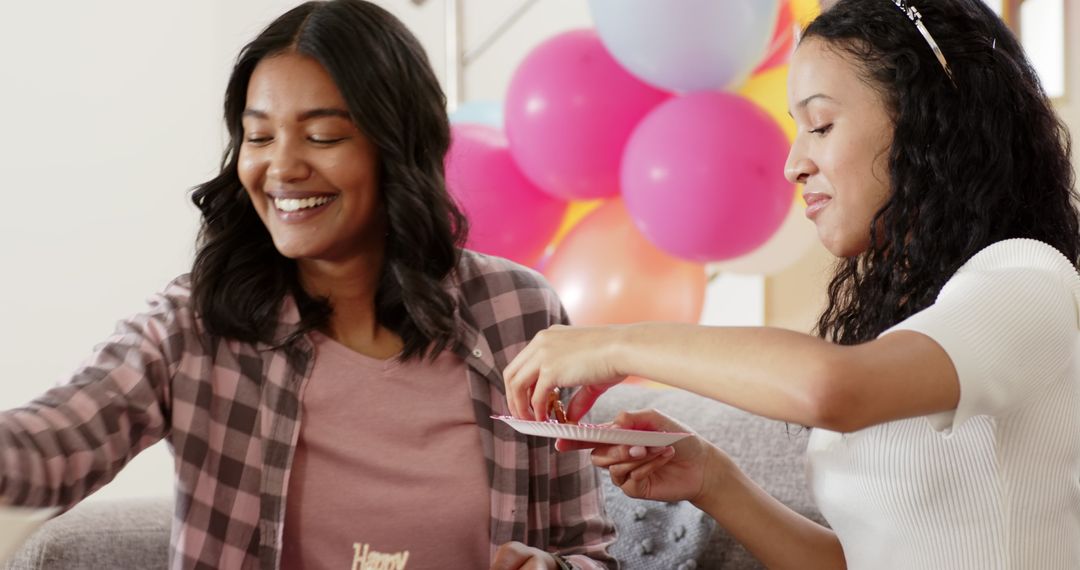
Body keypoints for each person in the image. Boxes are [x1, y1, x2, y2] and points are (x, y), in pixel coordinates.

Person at [0, 2, 617, 569]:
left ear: (398, 146)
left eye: (322, 137)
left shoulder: (516, 311)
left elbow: (585, 549)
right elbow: (57, 440)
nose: (283, 167)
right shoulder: (195, 322)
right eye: (259, 136)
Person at [503, 0, 1080, 568]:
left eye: (821, 125)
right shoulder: (905, 319)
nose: (793, 164)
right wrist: (712, 478)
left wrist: (615, 343)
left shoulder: (1026, 281)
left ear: (930, 122)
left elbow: (835, 389)